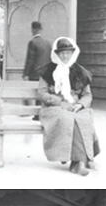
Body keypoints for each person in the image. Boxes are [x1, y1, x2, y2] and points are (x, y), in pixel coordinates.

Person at [37, 36, 100, 176]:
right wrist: (60, 102)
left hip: (75, 106)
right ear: (57, 54)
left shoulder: (80, 71)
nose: (65, 56)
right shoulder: (47, 71)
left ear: (73, 53)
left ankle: (81, 160)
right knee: (67, 119)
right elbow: (42, 93)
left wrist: (79, 105)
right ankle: (80, 162)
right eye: (62, 53)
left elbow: (87, 95)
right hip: (53, 107)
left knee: (84, 118)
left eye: (68, 53)